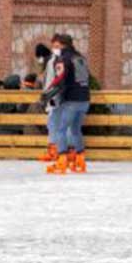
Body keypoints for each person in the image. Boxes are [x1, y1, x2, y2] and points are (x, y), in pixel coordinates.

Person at [39, 34, 91, 174]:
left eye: (56, 46)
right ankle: (79, 160)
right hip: (84, 100)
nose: (55, 49)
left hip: (71, 100)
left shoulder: (64, 59)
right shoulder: (81, 58)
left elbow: (59, 80)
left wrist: (47, 94)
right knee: (75, 130)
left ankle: (62, 161)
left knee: (61, 129)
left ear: (62, 45)